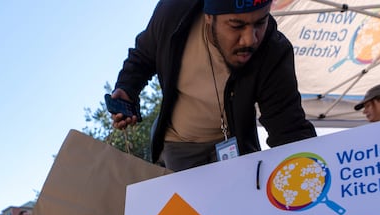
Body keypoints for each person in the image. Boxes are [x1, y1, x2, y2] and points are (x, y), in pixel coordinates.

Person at [110, 0, 315, 171]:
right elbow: (143, 57)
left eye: (260, 22)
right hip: (178, 146)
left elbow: (289, 130)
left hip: (236, 148)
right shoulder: (172, 14)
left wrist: (311, 168)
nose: (250, 39)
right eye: (236, 25)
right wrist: (127, 88)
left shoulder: (273, 51)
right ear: (209, 17)